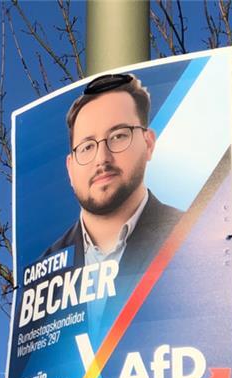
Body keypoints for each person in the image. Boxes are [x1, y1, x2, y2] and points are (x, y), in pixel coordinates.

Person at [43, 73, 183, 287]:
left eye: (118, 136)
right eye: (87, 146)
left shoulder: (189, 233)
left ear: (148, 144)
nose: (102, 159)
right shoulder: (43, 273)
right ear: (70, 169)